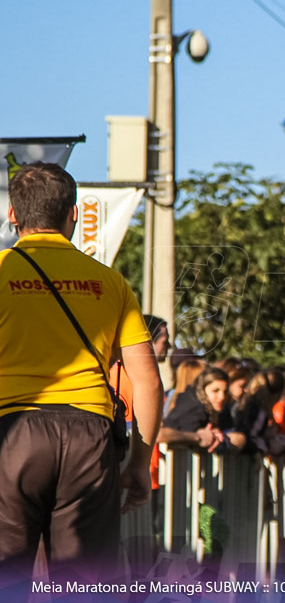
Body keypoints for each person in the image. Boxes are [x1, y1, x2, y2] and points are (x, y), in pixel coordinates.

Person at [0, 163, 163, 581]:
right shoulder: (110, 283)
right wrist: (140, 463)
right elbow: (146, 379)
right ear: (74, 213)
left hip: (12, 434)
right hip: (88, 437)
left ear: (13, 215)